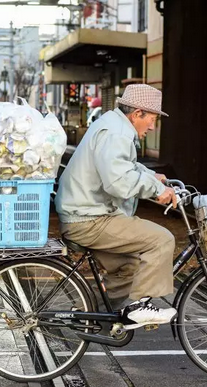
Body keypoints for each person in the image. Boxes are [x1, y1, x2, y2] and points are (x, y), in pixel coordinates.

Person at [54, 84, 179, 330]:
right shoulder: (117, 133)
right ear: (138, 113)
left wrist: (152, 176)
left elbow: (123, 166)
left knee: (128, 265)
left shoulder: (113, 125)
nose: (153, 126)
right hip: (89, 219)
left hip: (84, 213)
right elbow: (118, 181)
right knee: (162, 239)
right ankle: (139, 307)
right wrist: (157, 190)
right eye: (152, 118)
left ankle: (91, 316)